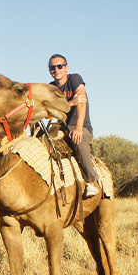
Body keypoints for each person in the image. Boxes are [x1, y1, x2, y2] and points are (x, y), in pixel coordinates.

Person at [47, 53, 100, 198]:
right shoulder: (51, 88)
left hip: (79, 126)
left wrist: (78, 128)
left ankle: (91, 181)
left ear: (66, 67)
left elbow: (81, 100)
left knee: (77, 139)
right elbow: (48, 114)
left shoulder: (75, 79)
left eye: (59, 66)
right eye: (52, 67)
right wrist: (70, 103)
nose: (56, 69)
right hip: (58, 127)